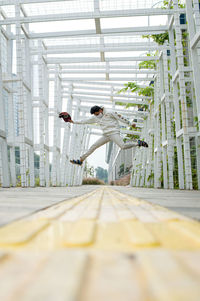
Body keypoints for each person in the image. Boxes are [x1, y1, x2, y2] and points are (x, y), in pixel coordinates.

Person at [69, 105, 148, 165]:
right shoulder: (95, 117)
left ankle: (138, 143)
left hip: (114, 132)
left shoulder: (110, 112)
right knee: (94, 146)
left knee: (123, 146)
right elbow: (84, 121)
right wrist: (73, 121)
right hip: (106, 135)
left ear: (100, 110)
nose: (96, 116)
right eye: (95, 115)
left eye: (97, 114)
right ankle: (81, 160)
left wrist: (130, 124)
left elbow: (120, 118)